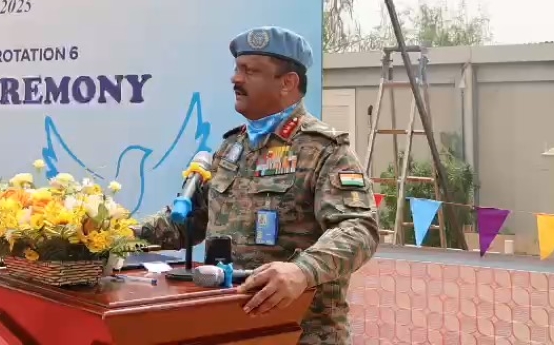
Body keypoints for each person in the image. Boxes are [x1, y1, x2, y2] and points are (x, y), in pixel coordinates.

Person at [136, 26, 379, 345]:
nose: (235, 79)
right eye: (237, 69)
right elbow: (189, 222)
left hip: (300, 332)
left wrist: (302, 271)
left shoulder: (325, 151)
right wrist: (114, 235)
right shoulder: (231, 147)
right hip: (227, 327)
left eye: (250, 71)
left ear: (287, 83)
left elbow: (359, 228)